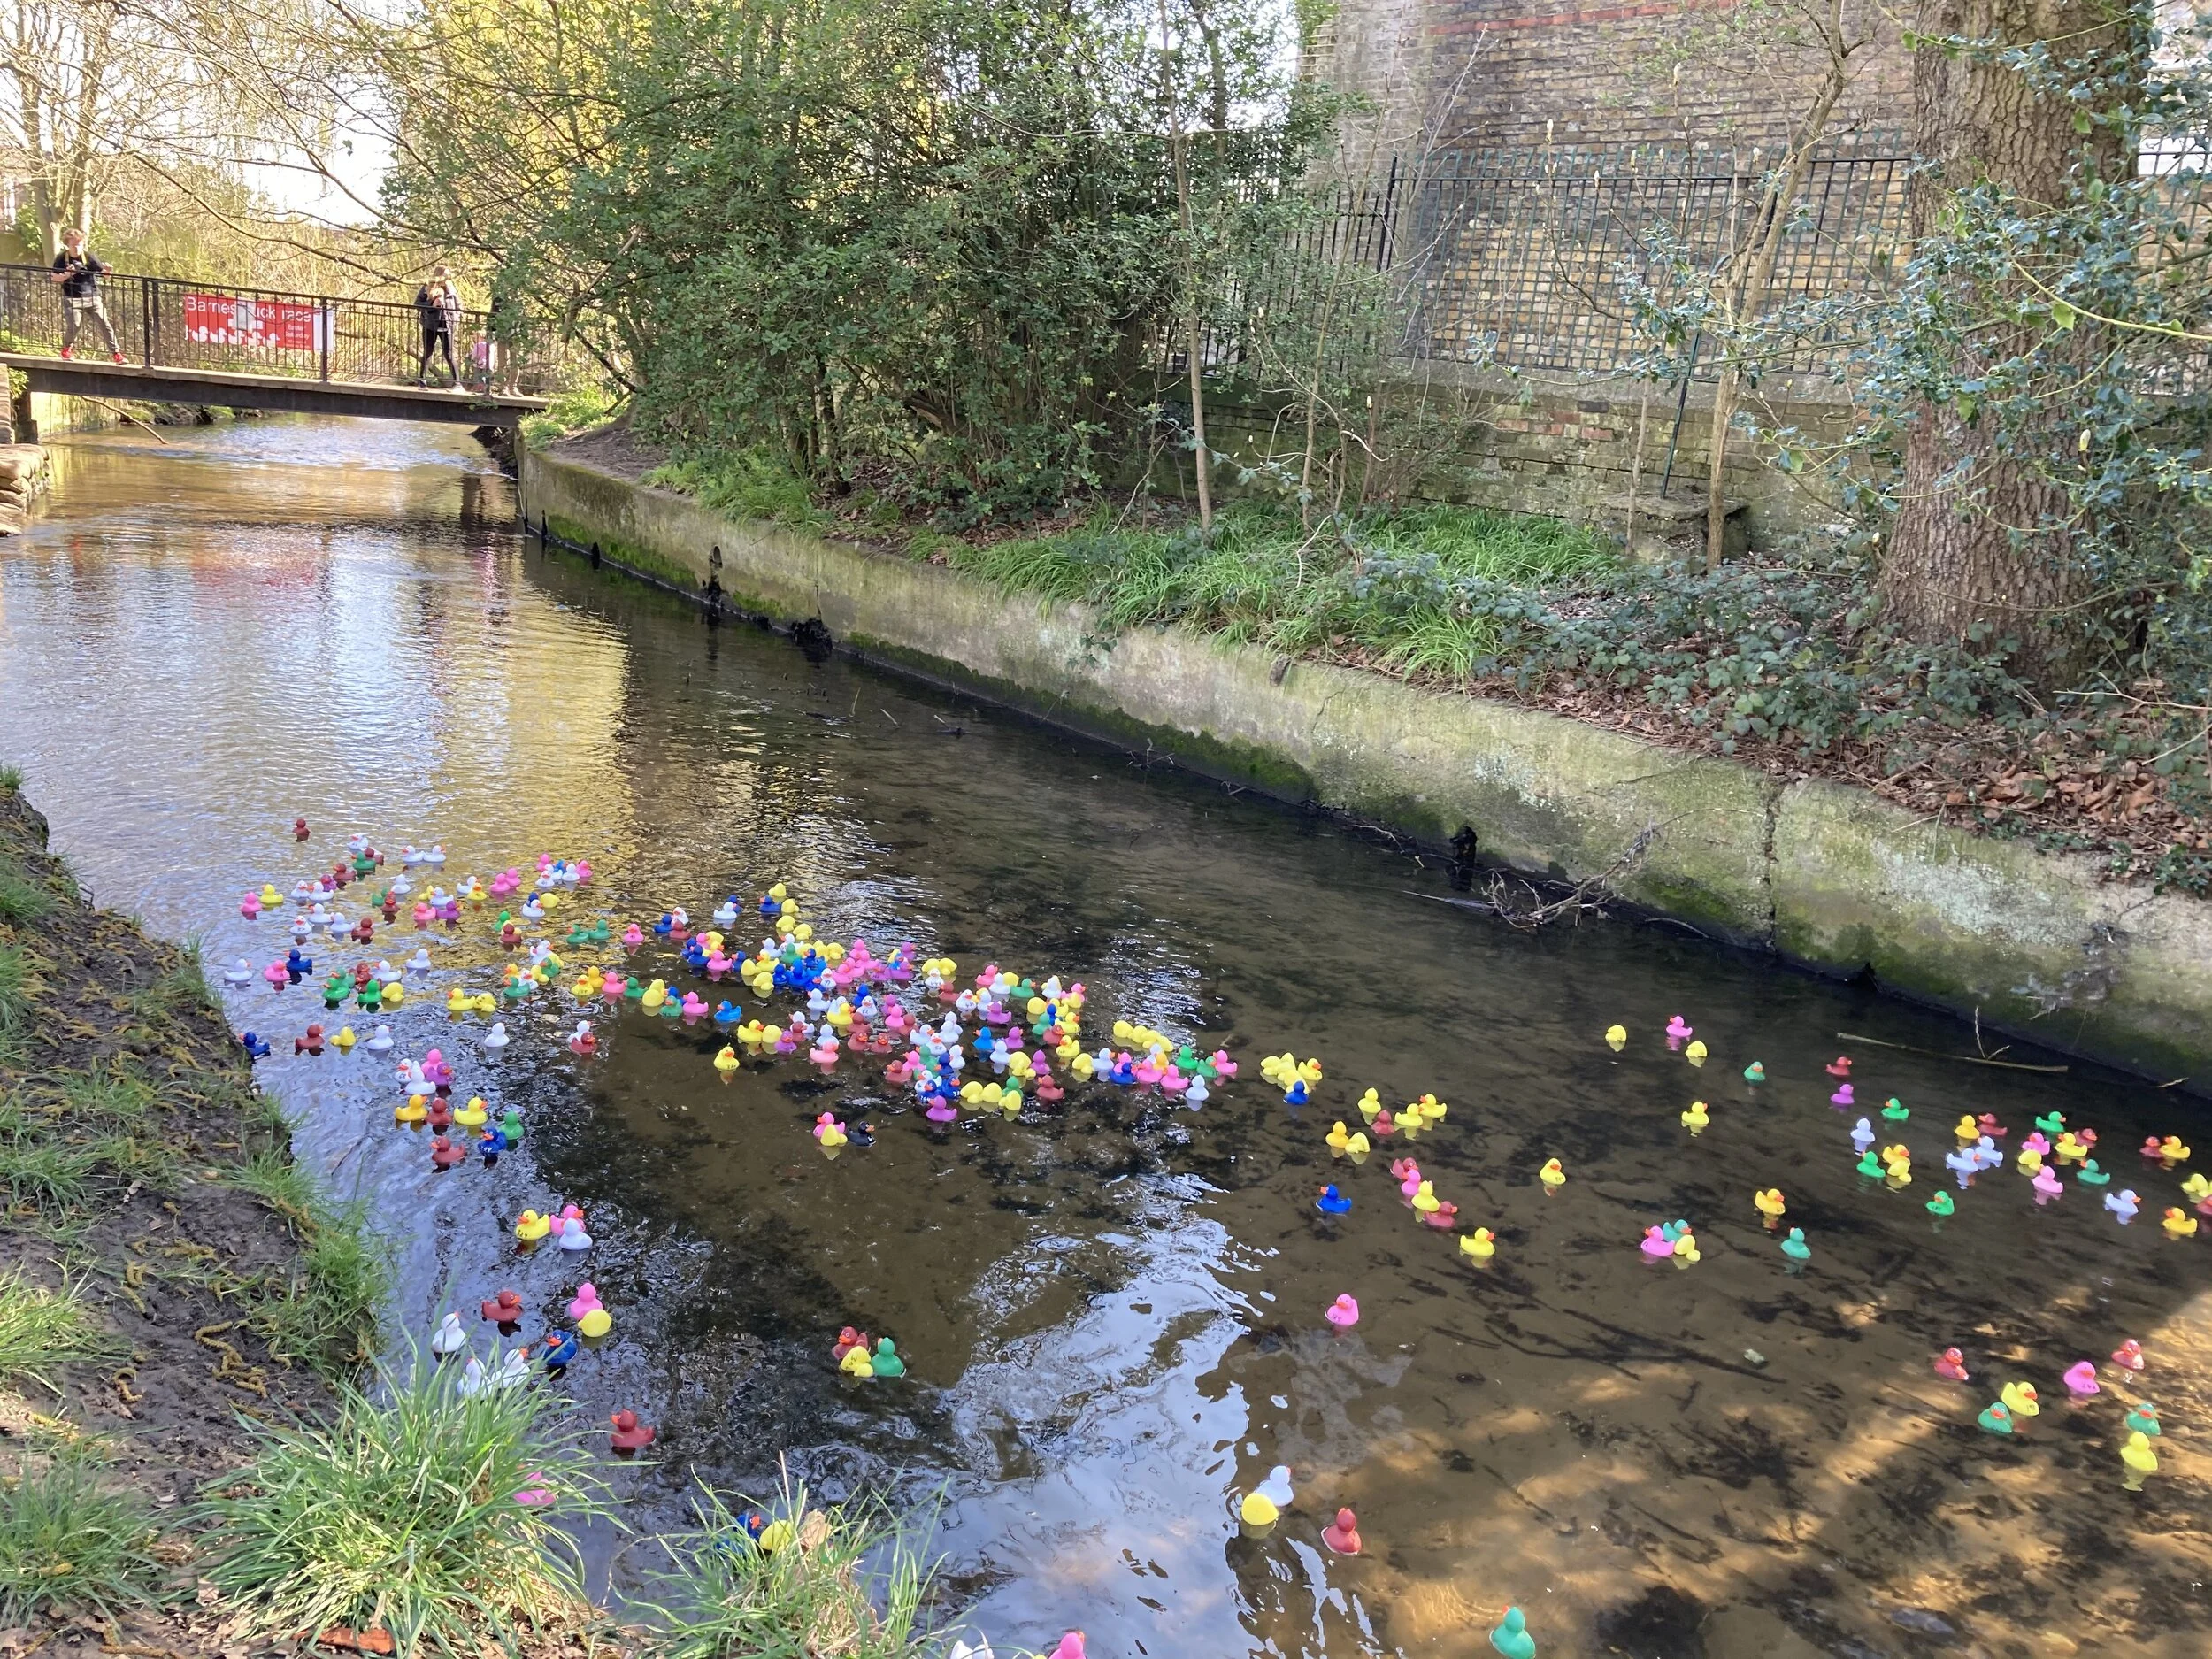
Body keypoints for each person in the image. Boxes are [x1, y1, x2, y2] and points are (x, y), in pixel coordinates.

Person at [50, 227, 123, 364]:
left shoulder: (89, 257)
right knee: (75, 324)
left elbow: (105, 276)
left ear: (83, 243)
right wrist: (68, 274)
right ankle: (67, 349)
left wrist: (108, 271)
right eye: (73, 245)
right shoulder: (61, 258)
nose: (77, 248)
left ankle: (116, 353)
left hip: (93, 297)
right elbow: (54, 278)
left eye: (79, 244)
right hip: (72, 298)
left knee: (104, 323)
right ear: (68, 245)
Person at [413, 267, 457, 386]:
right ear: (439, 275)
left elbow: (458, 306)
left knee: (449, 353)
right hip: (430, 324)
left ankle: (457, 382)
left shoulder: (451, 289)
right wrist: (431, 304)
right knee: (428, 352)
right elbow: (417, 304)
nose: (447, 279)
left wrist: (455, 318)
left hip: (447, 324)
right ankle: (422, 380)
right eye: (445, 276)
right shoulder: (427, 288)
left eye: (449, 276)